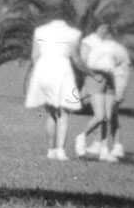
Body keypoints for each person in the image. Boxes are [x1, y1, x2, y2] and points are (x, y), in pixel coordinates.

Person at [25, 18, 88, 160]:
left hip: (43, 70)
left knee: (52, 113)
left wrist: (40, 73)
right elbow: (76, 59)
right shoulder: (73, 33)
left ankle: (50, 150)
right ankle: (60, 151)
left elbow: (34, 56)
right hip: (62, 70)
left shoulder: (40, 31)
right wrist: (89, 73)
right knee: (63, 113)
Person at [77, 32, 131, 162]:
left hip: (108, 79)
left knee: (106, 117)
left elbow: (119, 69)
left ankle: (104, 150)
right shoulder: (109, 49)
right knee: (101, 116)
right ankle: (81, 137)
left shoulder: (108, 49)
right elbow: (121, 69)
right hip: (99, 79)